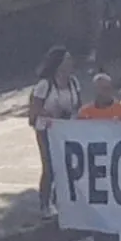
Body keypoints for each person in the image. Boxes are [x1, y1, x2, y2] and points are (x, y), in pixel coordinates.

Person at [76, 73, 121, 241]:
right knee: (96, 219)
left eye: (108, 88)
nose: (105, 92)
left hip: (117, 175)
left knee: (112, 219)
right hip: (93, 174)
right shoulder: (85, 113)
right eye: (101, 89)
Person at [29, 46, 82, 219]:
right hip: (47, 130)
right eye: (66, 60)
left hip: (66, 130)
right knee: (50, 166)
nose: (70, 63)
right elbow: (34, 111)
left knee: (66, 166)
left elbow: (78, 106)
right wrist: (51, 115)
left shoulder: (74, 82)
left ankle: (61, 199)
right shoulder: (45, 85)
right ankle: (45, 203)